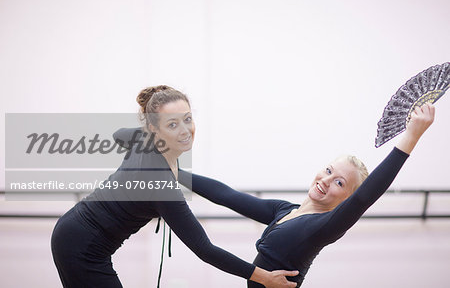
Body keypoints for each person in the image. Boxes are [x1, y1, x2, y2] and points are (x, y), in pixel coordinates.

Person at [115, 102, 436, 287]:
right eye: (328, 171)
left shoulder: (325, 226)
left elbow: (367, 196)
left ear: (345, 199)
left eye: (340, 183)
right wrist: (172, 170)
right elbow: (226, 195)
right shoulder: (286, 211)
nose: (327, 181)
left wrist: (411, 135)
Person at [51, 85, 299, 288]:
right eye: (172, 124)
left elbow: (220, 193)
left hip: (75, 231)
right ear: (154, 128)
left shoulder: (145, 142)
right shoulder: (160, 183)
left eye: (187, 119)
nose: (185, 131)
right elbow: (204, 249)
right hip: (81, 246)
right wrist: (263, 277)